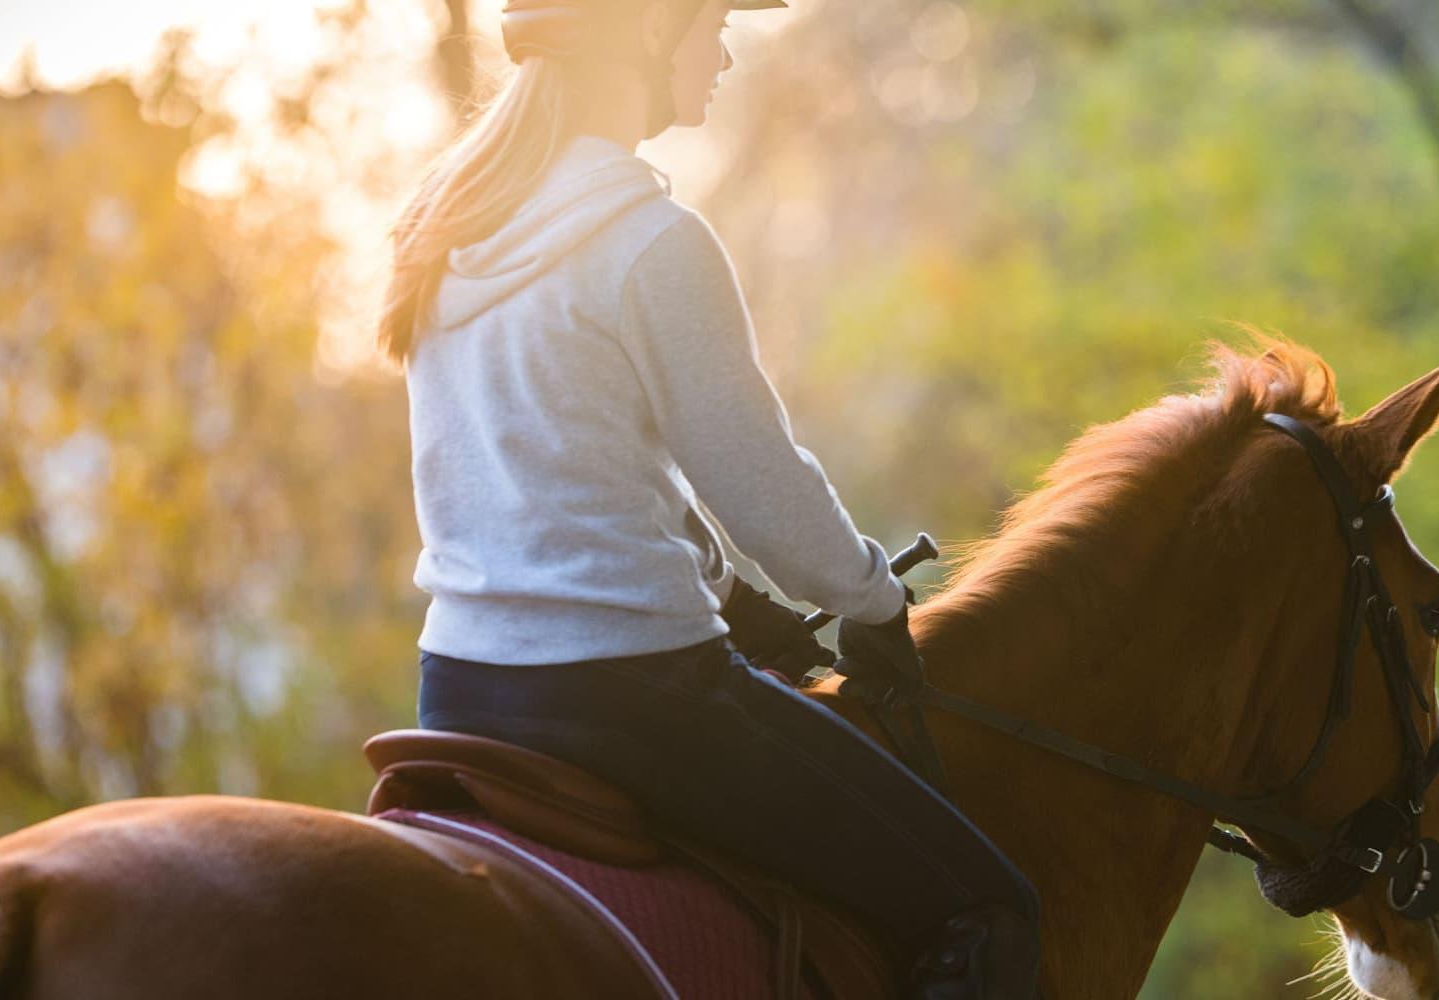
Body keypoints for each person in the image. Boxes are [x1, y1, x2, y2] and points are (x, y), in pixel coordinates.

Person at [372, 0, 1040, 996]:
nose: (724, 49)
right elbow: (761, 490)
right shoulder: (650, 241)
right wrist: (873, 599)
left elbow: (576, 470)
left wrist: (730, 598)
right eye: (713, 19)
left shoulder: (451, 230)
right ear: (646, 28)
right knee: (986, 909)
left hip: (460, 685)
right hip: (629, 698)